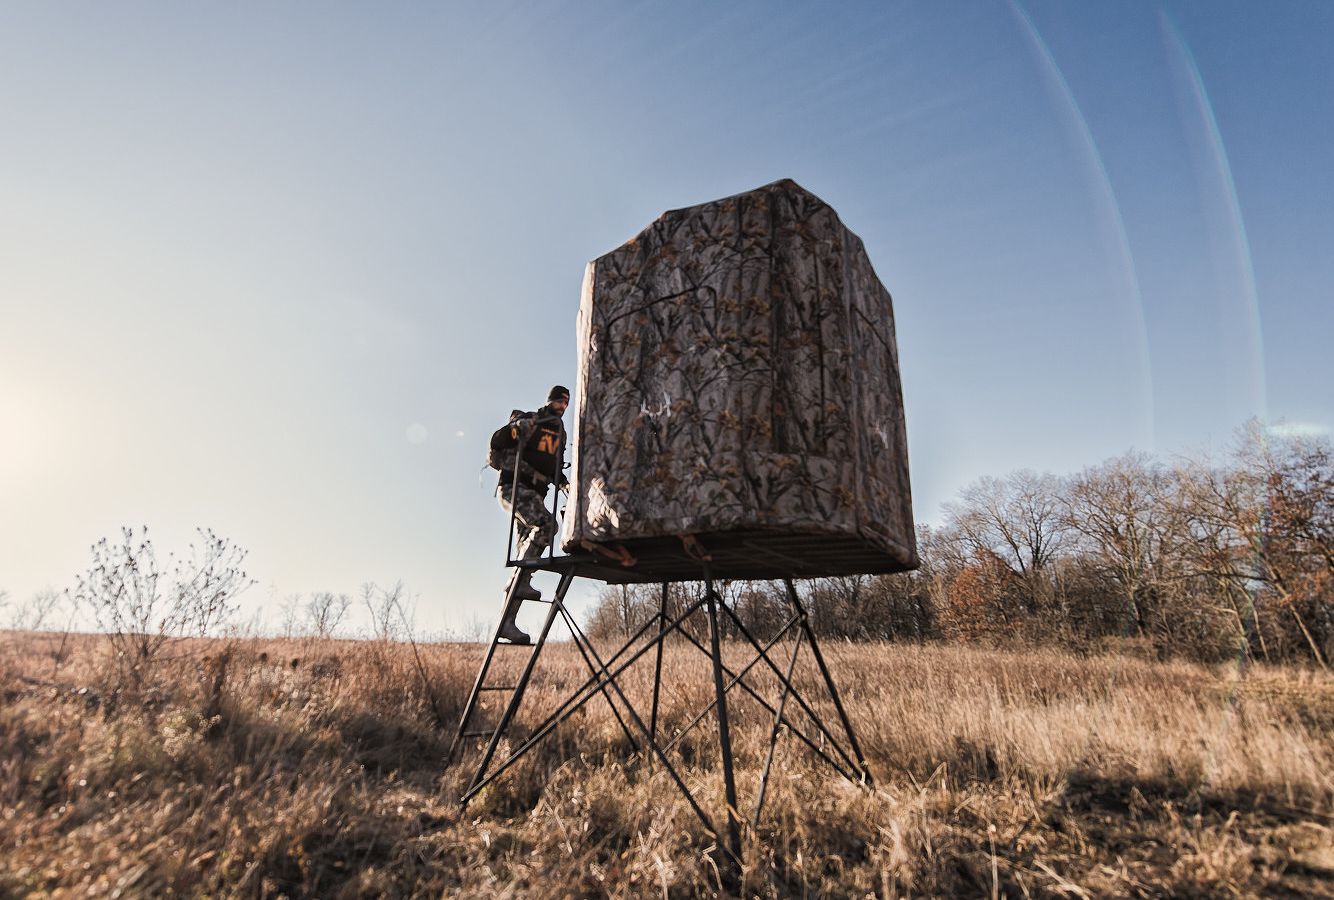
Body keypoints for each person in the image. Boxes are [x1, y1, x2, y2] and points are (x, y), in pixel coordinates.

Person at [492, 385, 570, 644]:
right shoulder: (532, 420)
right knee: (547, 525)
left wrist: (565, 484)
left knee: (525, 555)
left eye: (567, 402)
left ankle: (507, 623)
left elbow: (556, 467)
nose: (564, 406)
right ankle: (522, 579)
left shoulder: (560, 432)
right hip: (515, 488)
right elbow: (500, 440)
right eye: (560, 400)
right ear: (551, 400)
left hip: (536, 495)